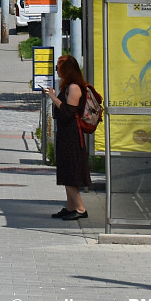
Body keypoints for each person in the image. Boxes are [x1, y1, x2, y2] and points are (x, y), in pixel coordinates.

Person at [43, 54, 91, 220]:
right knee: (65, 171)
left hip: (72, 135)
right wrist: (56, 97)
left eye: (59, 67)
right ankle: (71, 206)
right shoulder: (68, 86)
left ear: (67, 69)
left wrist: (54, 97)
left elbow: (68, 112)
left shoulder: (75, 88)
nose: (56, 70)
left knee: (70, 173)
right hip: (65, 133)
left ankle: (80, 208)